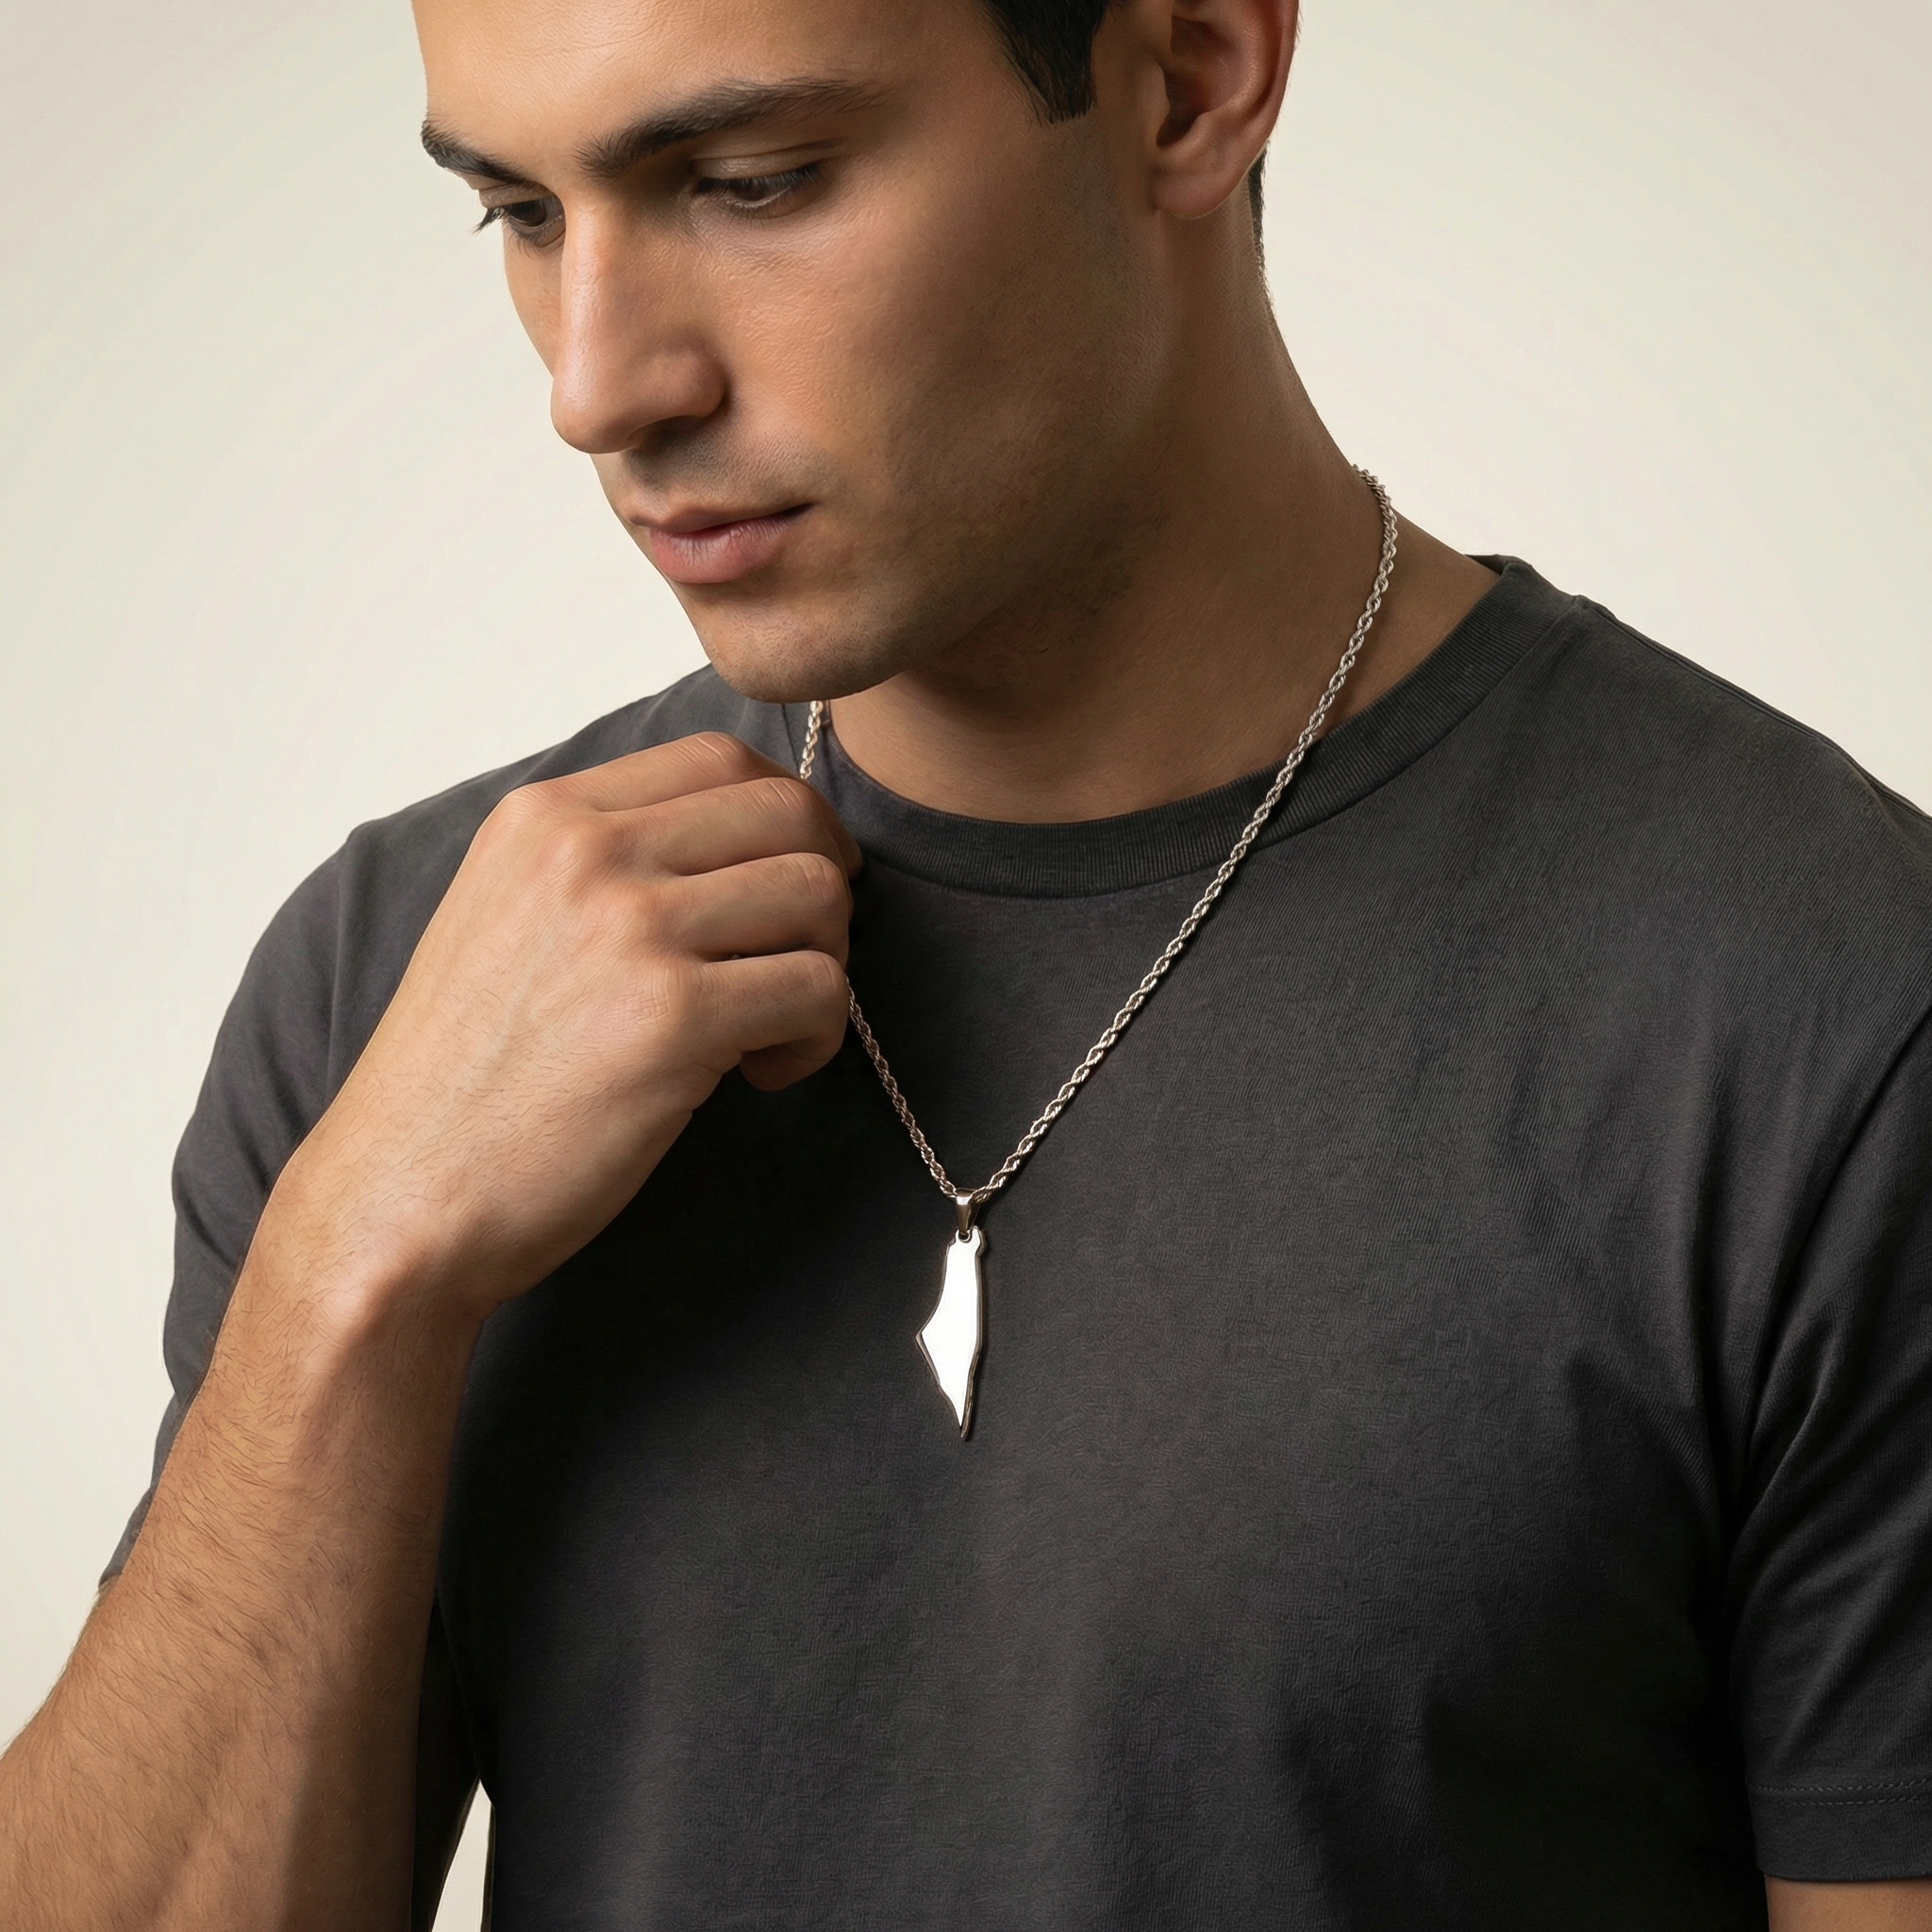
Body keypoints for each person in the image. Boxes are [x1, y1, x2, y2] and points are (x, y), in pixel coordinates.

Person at [3, 0, 1929, 1924]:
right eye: (521, 212)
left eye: (753, 182)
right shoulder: (408, 984)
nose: (596, 386)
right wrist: (351, 1271)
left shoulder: (1816, 1002)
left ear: (1188, 78)